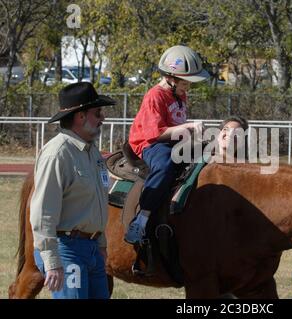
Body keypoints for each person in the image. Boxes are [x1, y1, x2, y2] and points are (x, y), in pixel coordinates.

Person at [31, 82, 116, 299]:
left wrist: (101, 244)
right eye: (97, 113)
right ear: (80, 117)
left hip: (91, 248)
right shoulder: (57, 154)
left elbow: (95, 202)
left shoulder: (93, 152)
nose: (102, 118)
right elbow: (43, 212)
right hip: (65, 249)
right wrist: (51, 261)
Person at [125, 45, 210, 245]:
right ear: (171, 78)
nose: (188, 87)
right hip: (150, 143)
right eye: (186, 82)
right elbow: (156, 133)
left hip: (173, 140)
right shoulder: (155, 96)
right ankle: (141, 220)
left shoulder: (180, 94)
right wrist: (189, 128)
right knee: (165, 164)